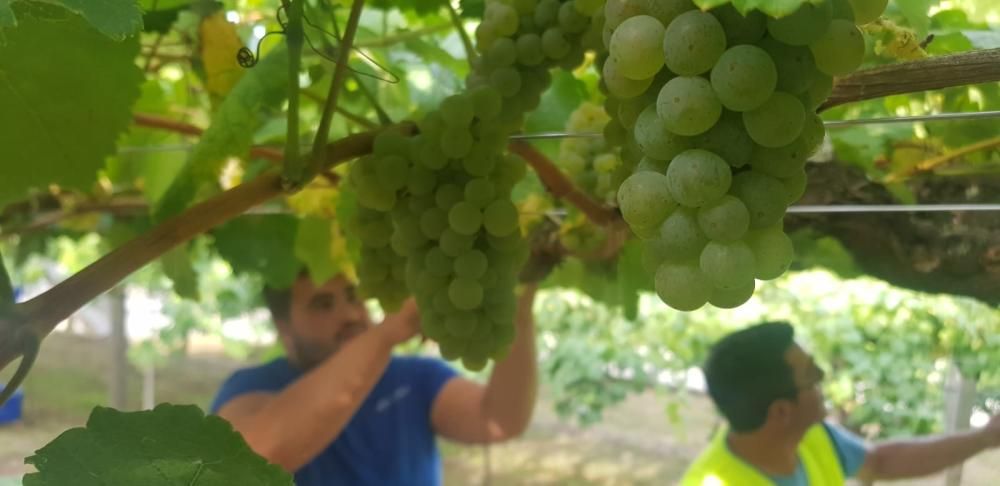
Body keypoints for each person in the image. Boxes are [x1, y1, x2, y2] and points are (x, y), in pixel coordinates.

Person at [209, 269, 543, 485]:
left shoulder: (415, 377)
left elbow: (499, 419)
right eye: (323, 305)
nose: (351, 314)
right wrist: (385, 334)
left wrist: (520, 314)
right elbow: (256, 453)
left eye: (354, 296)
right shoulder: (254, 387)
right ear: (285, 330)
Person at [681, 321, 1000, 485]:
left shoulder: (810, 437)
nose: (822, 377)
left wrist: (985, 437)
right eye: (811, 374)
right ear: (781, 412)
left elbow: (880, 463)